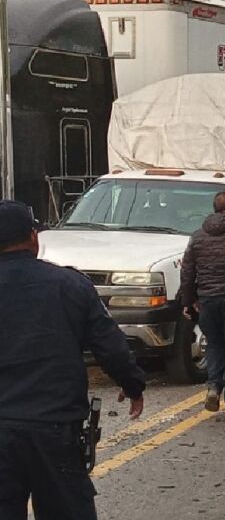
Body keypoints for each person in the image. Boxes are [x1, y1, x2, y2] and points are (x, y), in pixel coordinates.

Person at [0, 200, 146, 520]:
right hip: (53, 426)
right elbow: (110, 345)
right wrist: (132, 384)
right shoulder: (69, 284)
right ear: (33, 237)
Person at [180, 191, 225, 418]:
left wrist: (188, 302)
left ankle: (213, 387)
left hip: (206, 301)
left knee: (215, 346)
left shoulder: (198, 236)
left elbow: (187, 272)